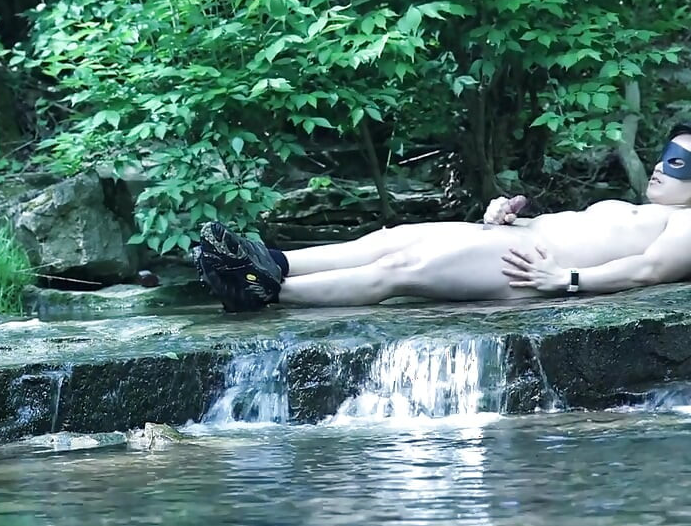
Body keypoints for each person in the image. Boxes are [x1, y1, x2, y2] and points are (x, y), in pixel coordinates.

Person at [194, 124, 691, 310]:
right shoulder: (645, 209)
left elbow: (649, 270)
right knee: (393, 237)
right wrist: (509, 215)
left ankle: (264, 290)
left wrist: (568, 279)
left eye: (680, 164)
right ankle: (273, 260)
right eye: (666, 156)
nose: (661, 167)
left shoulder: (687, 222)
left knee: (401, 270)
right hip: (513, 240)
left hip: (527, 269)